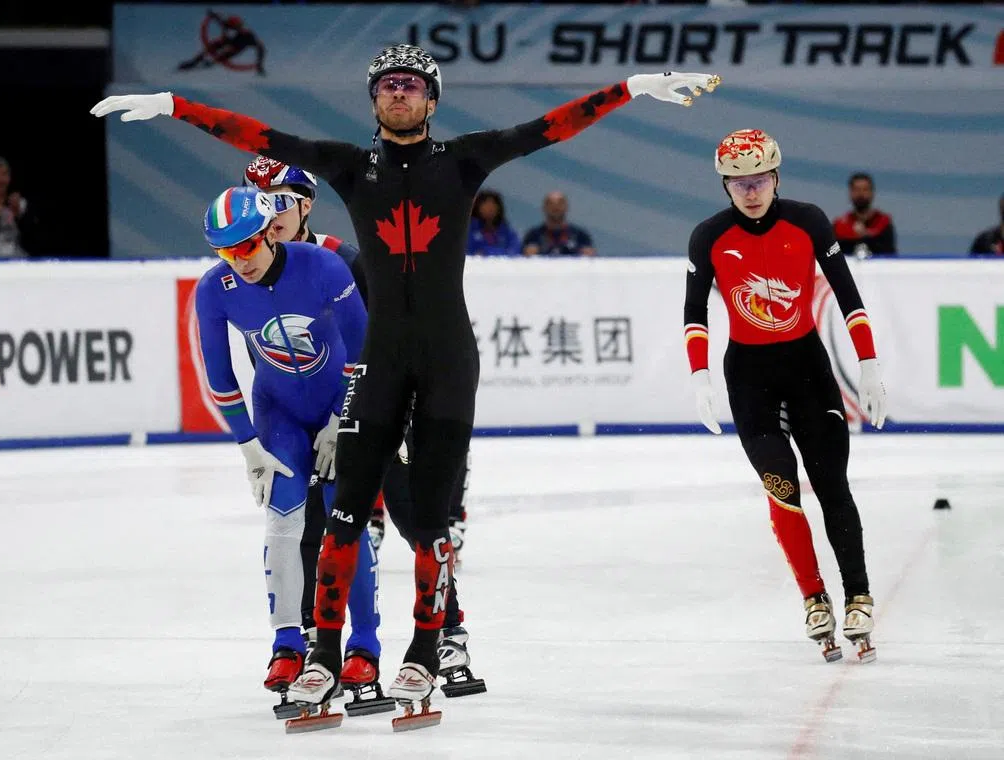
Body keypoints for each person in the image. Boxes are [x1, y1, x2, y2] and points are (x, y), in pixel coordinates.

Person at [93, 45, 720, 722]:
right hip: (379, 365)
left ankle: (426, 651)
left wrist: (628, 86)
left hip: (450, 361)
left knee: (432, 519)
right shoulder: (347, 167)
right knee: (343, 513)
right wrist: (174, 106)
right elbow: (258, 135)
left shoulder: (466, 159)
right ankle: (325, 660)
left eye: (412, 85)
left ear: (432, 98)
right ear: (373, 98)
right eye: (388, 84)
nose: (399, 93)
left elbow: (552, 127)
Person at [242, 156, 484, 699]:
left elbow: (387, 340)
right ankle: (312, 636)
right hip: (302, 417)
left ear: (306, 205)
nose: (269, 213)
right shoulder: (247, 263)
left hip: (373, 406)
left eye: (281, 199)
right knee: (313, 522)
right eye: (258, 200)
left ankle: (448, 627)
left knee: (413, 516)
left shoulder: (344, 260)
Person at [684, 129, 886, 664]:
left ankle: (858, 594)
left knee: (830, 483)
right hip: (748, 378)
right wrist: (700, 376)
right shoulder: (708, 235)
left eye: (759, 180)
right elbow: (694, 312)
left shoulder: (810, 221)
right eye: (739, 183)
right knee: (782, 488)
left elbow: (848, 294)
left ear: (776, 178)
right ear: (725, 185)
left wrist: (867, 364)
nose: (750, 191)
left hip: (808, 371)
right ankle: (814, 597)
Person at [192, 185, 389, 718]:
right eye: (225, 252)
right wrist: (247, 446)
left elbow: (364, 346)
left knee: (344, 524)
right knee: (282, 522)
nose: (239, 262)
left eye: (246, 247)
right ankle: (287, 646)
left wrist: (340, 418)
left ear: (269, 235)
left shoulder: (323, 268)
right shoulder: (215, 289)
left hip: (335, 407)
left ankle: (364, 648)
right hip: (276, 415)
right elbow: (220, 376)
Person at [832, 172, 896, 257]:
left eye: (865, 189)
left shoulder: (883, 222)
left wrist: (866, 236)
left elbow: (889, 253)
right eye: (856, 189)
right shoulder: (839, 225)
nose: (861, 194)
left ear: (872, 193)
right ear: (850, 193)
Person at [521, 190, 595, 256]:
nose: (556, 207)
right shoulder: (533, 236)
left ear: (566, 207)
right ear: (544, 207)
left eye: (560, 203)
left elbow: (590, 260)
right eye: (551, 204)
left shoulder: (580, 236)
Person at [466, 189, 520, 257]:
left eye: (493, 204)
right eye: (486, 204)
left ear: (498, 208)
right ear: (477, 206)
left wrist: (486, 252)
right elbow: (468, 251)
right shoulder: (468, 230)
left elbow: (514, 251)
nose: (490, 208)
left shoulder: (507, 231)